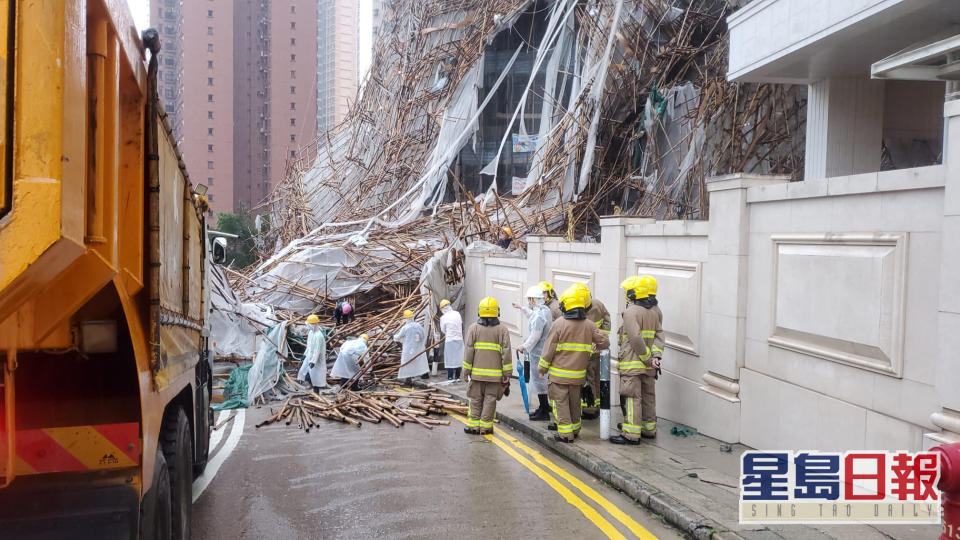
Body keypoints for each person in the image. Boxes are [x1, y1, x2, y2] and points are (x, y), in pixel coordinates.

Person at [538, 284, 609, 443]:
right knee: (575, 403)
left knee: (561, 403)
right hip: (578, 377)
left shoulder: (559, 324)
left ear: (565, 305)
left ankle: (565, 434)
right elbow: (605, 341)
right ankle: (575, 429)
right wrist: (596, 347)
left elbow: (548, 349)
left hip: (559, 376)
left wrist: (542, 368)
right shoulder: (589, 325)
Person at [610, 277, 660, 445]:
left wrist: (646, 358)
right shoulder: (654, 312)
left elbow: (635, 338)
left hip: (633, 363)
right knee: (648, 397)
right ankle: (648, 429)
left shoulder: (631, 312)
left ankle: (631, 434)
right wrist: (655, 357)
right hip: (649, 366)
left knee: (632, 398)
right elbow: (660, 336)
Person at [462, 297, 512, 435]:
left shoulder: (473, 328)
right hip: (494, 377)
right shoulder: (502, 330)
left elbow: (468, 352)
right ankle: (485, 428)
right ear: (497, 312)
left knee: (476, 401)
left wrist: (466, 372)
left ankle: (473, 427)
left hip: (477, 376)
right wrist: (507, 375)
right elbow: (506, 353)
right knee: (490, 401)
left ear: (480, 312)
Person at [513, 285, 552, 421]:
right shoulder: (544, 310)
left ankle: (544, 411)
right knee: (539, 382)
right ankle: (543, 408)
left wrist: (523, 346)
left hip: (538, 353)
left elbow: (535, 335)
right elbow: (532, 316)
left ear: (533, 300)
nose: (528, 302)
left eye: (529, 299)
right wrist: (521, 308)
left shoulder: (540, 315)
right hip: (541, 351)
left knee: (540, 382)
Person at [582, 294, 611, 419]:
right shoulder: (599, 304)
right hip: (597, 349)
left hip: (589, 351)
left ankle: (590, 409)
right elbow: (607, 321)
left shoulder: (580, 309)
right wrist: (601, 340)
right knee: (596, 378)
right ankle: (596, 406)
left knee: (589, 378)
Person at [395, 310, 429, 384]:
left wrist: (392, 336)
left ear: (406, 318)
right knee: (421, 360)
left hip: (408, 349)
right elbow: (423, 335)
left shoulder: (405, 328)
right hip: (418, 348)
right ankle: (425, 374)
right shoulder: (418, 325)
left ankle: (408, 379)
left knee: (407, 362)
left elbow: (398, 337)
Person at [296, 314, 327, 392]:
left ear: (314, 324)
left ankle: (316, 391)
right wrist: (304, 355)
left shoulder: (319, 336)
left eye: (309, 324)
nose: (308, 326)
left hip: (317, 359)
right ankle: (311, 385)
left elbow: (317, 350)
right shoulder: (311, 333)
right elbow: (309, 346)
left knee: (316, 375)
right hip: (309, 356)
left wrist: (313, 361)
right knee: (306, 371)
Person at [639, 275, 664, 362]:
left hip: (638, 357)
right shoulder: (657, 310)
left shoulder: (636, 309)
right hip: (650, 360)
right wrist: (655, 356)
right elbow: (659, 335)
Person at [438, 299, 464, 381]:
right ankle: (457, 376)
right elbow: (460, 323)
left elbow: (443, 330)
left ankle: (450, 377)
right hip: (459, 339)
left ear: (442, 309)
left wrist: (449, 332)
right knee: (458, 358)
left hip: (450, 340)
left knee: (450, 359)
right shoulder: (457, 314)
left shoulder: (443, 317)